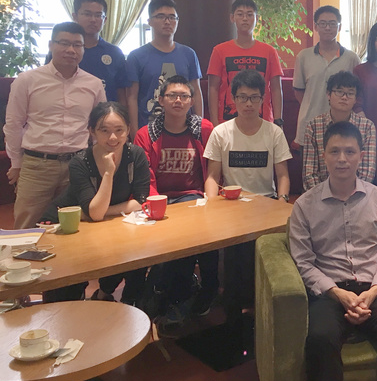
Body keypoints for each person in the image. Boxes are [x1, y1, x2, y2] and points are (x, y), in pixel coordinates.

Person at [289, 121, 377, 381]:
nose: (342, 159)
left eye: (349, 151)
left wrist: (373, 292)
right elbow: (303, 262)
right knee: (319, 339)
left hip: (375, 290)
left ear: (361, 155)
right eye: (334, 151)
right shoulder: (305, 205)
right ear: (323, 155)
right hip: (329, 293)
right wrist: (337, 293)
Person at [204, 70, 292, 323]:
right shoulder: (221, 132)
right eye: (242, 97)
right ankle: (233, 311)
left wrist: (282, 202)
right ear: (233, 99)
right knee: (234, 254)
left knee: (260, 253)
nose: (248, 103)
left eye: (254, 97)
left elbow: (283, 175)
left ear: (263, 99)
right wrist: (212, 206)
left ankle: (259, 307)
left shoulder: (273, 132)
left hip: (266, 203)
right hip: (231, 205)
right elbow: (212, 177)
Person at [43, 102, 150, 303]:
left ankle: (120, 305)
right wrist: (109, 172)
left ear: (128, 130)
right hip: (64, 225)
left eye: (119, 130)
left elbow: (140, 202)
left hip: (99, 222)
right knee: (68, 286)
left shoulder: (135, 155)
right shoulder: (80, 162)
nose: (113, 137)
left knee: (136, 257)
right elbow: (95, 213)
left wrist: (98, 213)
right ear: (92, 131)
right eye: (104, 130)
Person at [133, 75, 218, 325]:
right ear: (161, 100)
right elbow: (145, 177)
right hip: (158, 199)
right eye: (172, 96)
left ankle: (179, 295)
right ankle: (162, 294)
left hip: (192, 198)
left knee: (190, 239)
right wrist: (156, 206)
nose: (178, 100)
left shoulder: (204, 129)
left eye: (184, 96)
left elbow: (213, 170)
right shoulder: (146, 134)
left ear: (192, 101)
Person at [4, 22, 106, 228]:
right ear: (51, 45)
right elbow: (13, 124)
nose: (71, 50)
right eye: (64, 43)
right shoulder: (27, 80)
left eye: (77, 45)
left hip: (78, 164)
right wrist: (16, 163)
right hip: (37, 165)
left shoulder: (94, 84)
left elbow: (99, 126)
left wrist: (98, 161)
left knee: (75, 226)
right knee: (27, 226)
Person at [126, 0, 203, 129]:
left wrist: (200, 125)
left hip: (184, 127)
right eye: (160, 16)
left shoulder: (189, 54)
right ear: (149, 21)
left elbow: (196, 91)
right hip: (149, 127)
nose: (167, 22)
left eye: (172, 17)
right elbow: (132, 98)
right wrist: (134, 132)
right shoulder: (136, 56)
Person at [207, 0, 284, 127]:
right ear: (232, 18)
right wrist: (214, 122)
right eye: (240, 14)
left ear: (256, 18)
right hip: (227, 121)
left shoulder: (269, 51)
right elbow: (213, 88)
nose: (245, 19)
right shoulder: (219, 51)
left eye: (249, 15)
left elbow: (276, 89)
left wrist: (278, 120)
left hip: (263, 122)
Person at [293, 5, 360, 146]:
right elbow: (299, 92)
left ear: (339, 27)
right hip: (309, 124)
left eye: (332, 23)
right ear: (315, 27)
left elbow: (355, 92)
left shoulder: (352, 58)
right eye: (323, 23)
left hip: (341, 126)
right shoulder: (303, 56)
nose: (328, 28)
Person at [302, 71, 377, 191]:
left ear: (355, 99)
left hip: (358, 195)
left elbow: (367, 172)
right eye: (339, 91)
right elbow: (309, 173)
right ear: (328, 94)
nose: (344, 97)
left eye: (350, 93)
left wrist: (351, 195)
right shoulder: (313, 126)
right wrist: (324, 195)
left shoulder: (367, 127)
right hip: (320, 196)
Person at [70, 0, 130, 106]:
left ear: (105, 20)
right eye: (87, 14)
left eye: (98, 15)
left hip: (107, 114)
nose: (93, 20)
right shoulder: (65, 51)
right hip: (72, 113)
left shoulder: (115, 53)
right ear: (75, 16)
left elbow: (121, 94)